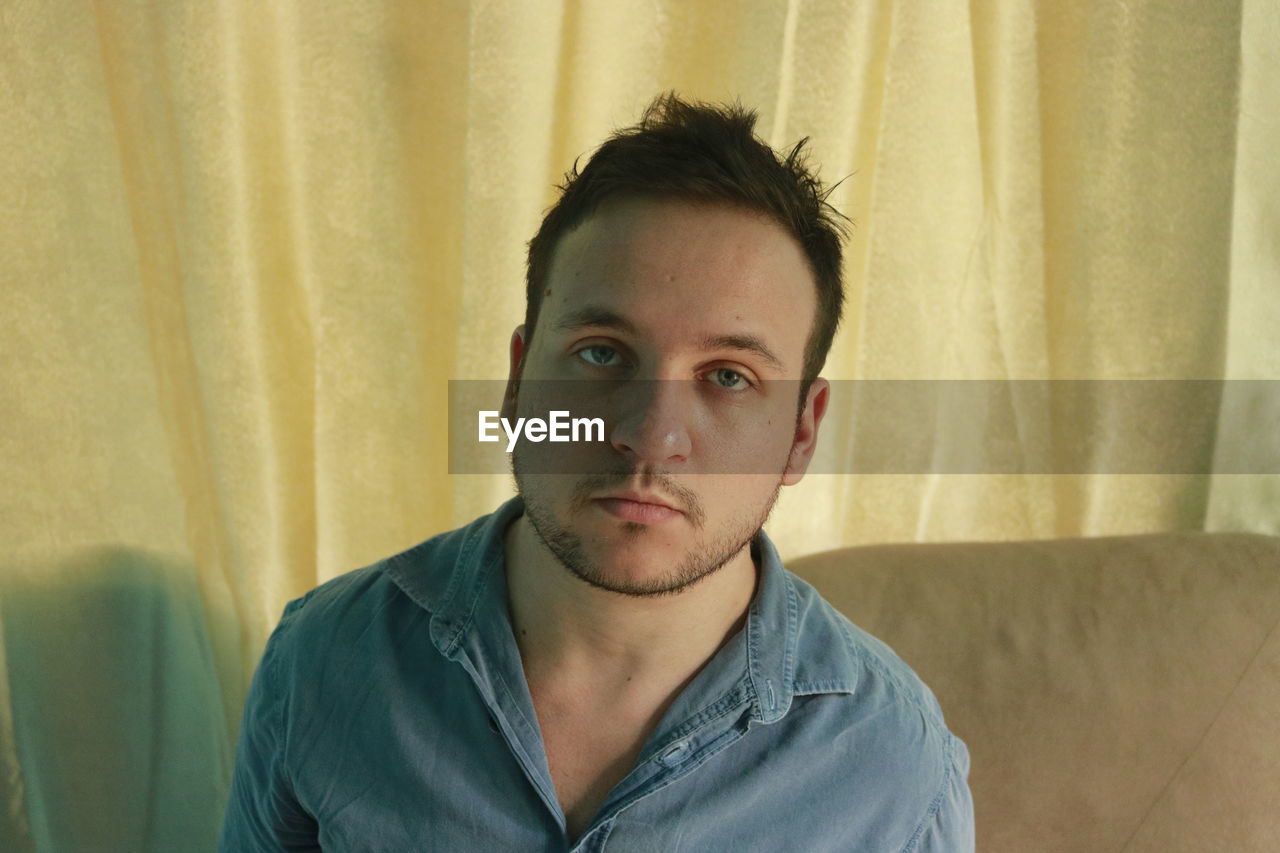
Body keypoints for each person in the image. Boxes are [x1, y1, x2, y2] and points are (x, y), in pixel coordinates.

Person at [220, 92, 974, 852]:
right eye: (602, 353)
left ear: (802, 432)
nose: (649, 436)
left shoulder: (897, 767)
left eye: (729, 376)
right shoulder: (322, 661)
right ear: (518, 383)